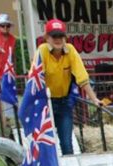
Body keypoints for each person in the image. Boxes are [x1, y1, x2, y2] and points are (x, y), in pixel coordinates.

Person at [38, 19, 103, 155]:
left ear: (65, 37)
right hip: (45, 103)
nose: (58, 39)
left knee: (67, 144)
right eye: (54, 36)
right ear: (47, 38)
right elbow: (36, 77)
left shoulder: (71, 50)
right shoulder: (42, 50)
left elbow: (82, 76)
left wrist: (94, 99)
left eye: (61, 36)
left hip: (64, 103)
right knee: (46, 144)